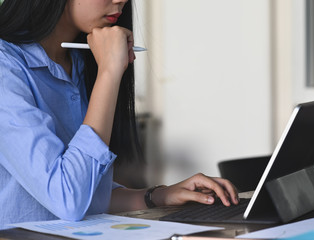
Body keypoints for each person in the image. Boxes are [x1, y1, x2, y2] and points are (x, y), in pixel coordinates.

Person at [0, 0, 239, 230]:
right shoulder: (6, 67)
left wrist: (157, 196)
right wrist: (110, 71)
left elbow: (86, 194)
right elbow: (67, 198)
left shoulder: (79, 62)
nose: (121, 0)